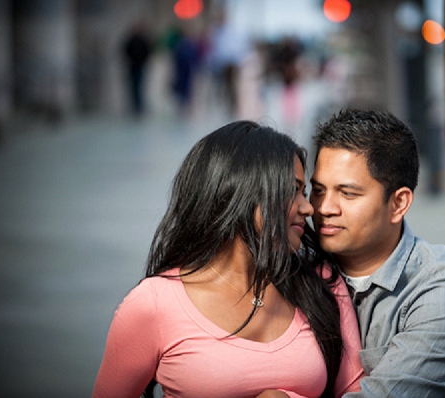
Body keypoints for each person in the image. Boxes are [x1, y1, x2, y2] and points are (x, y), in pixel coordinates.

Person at [92, 121, 363, 398]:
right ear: (242, 194)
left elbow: (358, 391)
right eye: (292, 190)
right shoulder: (152, 304)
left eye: (303, 192)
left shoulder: (321, 283)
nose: (307, 207)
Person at [308, 109, 445, 397]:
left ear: (398, 204)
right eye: (318, 190)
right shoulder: (300, 272)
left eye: (347, 193)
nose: (324, 208)